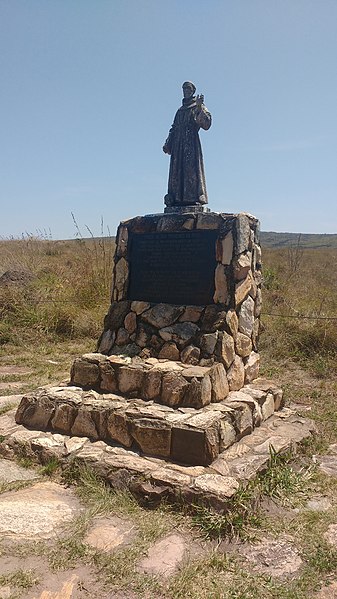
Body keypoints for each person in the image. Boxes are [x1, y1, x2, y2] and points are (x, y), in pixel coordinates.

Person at [163, 81, 212, 207]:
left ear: (193, 91)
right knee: (177, 171)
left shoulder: (197, 106)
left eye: (188, 89)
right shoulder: (179, 111)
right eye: (184, 89)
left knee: (190, 170)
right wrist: (168, 142)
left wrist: (200, 108)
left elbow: (206, 124)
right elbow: (174, 127)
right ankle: (177, 198)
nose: (186, 91)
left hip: (191, 144)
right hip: (178, 146)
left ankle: (192, 197)